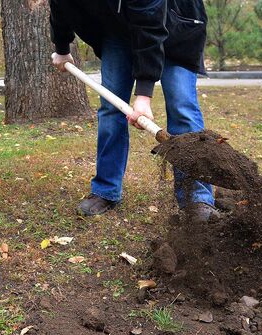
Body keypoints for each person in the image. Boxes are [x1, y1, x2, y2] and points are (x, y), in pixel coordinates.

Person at [50, 0, 219, 222]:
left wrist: (144, 95)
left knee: (182, 108)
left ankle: (196, 197)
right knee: (111, 109)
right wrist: (61, 49)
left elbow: (150, 26)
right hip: (120, 28)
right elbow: (61, 7)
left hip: (178, 24)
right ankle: (106, 190)